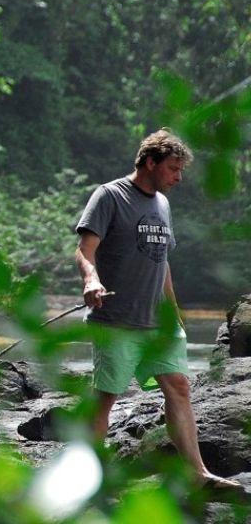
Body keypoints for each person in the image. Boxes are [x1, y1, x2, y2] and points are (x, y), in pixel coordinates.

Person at [75, 128, 241, 490]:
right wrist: (91, 280)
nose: (178, 178)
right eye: (173, 169)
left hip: (158, 322)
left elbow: (161, 262)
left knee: (179, 387)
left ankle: (197, 473)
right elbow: (85, 249)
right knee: (105, 398)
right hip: (117, 320)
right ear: (150, 162)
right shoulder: (109, 196)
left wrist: (175, 312)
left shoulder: (163, 204)